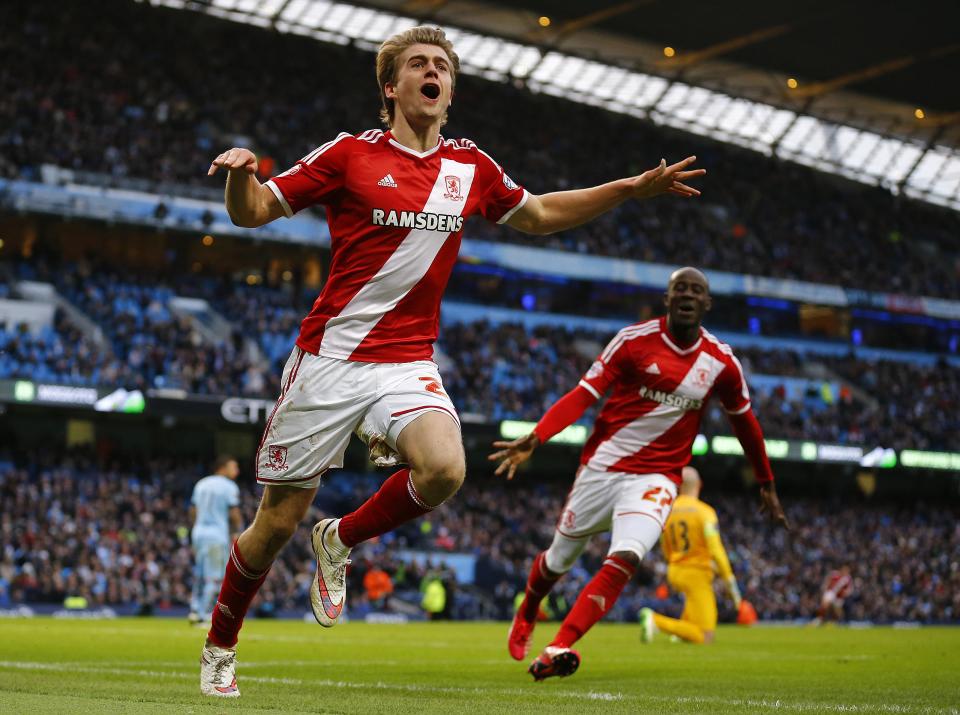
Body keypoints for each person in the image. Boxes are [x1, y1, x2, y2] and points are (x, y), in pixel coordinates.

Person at [200, 24, 705, 698]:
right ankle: (219, 645)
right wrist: (242, 177)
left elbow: (543, 212)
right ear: (392, 86)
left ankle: (341, 537)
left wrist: (628, 188)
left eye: (442, 65)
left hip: (407, 360)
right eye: (418, 64)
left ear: (450, 90)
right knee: (274, 526)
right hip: (329, 359)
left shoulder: (471, 167)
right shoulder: (350, 154)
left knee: (445, 467)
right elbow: (256, 211)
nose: (432, 72)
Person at [490, 266, 789, 681]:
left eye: (696, 290)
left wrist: (766, 483)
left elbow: (746, 424)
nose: (687, 294)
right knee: (558, 560)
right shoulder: (632, 341)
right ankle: (526, 612)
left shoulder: (721, 363)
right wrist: (538, 436)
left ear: (707, 303)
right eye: (679, 288)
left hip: (658, 478)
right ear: (667, 299)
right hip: (602, 468)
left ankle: (560, 645)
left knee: (628, 555)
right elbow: (583, 395)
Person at [638, 465, 742, 644]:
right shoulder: (704, 512)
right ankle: (655, 620)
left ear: (678, 486)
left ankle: (680, 634)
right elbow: (716, 549)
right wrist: (729, 579)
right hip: (697, 573)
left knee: (694, 610)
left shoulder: (667, 511)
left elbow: (665, 547)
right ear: (699, 484)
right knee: (706, 636)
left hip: (675, 570)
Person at [188, 456, 243, 625]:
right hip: (216, 535)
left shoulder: (201, 483)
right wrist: (238, 531)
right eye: (234, 466)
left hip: (198, 532)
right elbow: (234, 513)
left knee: (200, 573)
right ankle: (205, 615)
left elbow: (193, 510)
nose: (237, 471)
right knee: (215, 576)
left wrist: (196, 527)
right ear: (222, 468)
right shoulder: (229, 486)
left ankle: (195, 610)